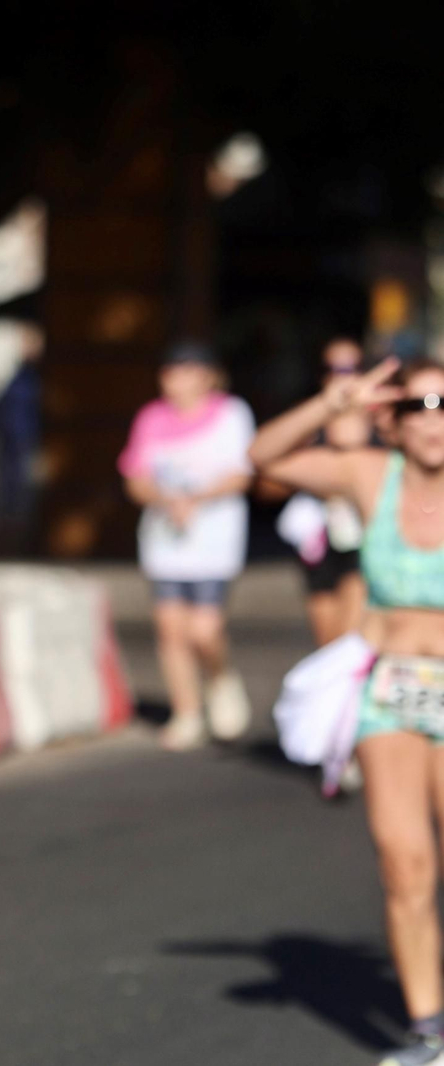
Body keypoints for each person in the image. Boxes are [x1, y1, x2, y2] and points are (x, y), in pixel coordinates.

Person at [250, 357, 444, 1066]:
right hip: (390, 687)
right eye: (416, 402)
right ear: (392, 419)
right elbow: (262, 456)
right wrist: (330, 404)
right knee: (403, 859)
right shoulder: (369, 475)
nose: (432, 416)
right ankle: (430, 1032)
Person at [118, 341, 256, 751]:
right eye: (170, 372)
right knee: (170, 630)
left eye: (185, 371)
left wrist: (195, 499)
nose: (175, 381)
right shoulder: (151, 417)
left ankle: (219, 677)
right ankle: (187, 710)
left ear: (207, 376)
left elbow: (241, 473)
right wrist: (166, 500)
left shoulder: (232, 413)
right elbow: (135, 477)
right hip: (165, 540)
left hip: (213, 539)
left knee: (205, 628)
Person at [271, 338, 371, 646]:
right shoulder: (308, 426)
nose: (342, 377)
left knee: (350, 640)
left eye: (352, 368)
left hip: (366, 538)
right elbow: (264, 475)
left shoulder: (384, 422)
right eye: (332, 369)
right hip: (321, 538)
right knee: (327, 643)